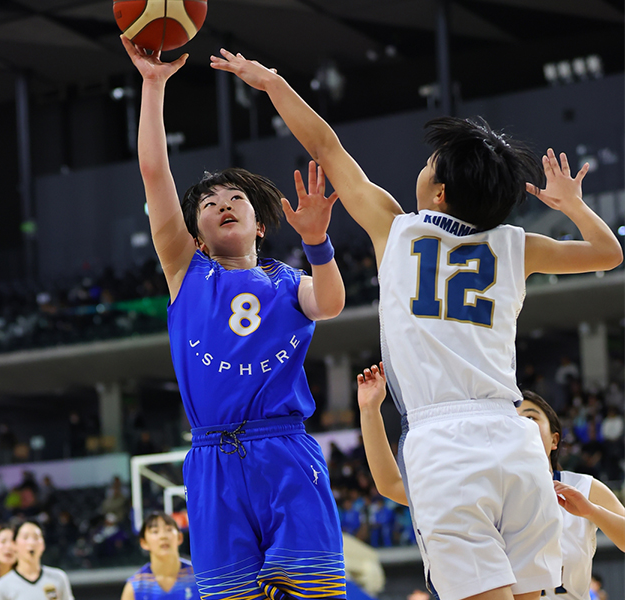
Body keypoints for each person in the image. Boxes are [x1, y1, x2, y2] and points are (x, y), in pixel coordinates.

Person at [212, 49, 623, 600]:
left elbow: (327, 148)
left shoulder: (396, 230)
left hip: (444, 441)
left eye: (431, 163)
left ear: (442, 192)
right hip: (513, 435)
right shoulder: (516, 245)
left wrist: (273, 83)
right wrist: (572, 203)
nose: (423, 165)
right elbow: (607, 252)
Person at [121, 35, 346, 600]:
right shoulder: (186, 270)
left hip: (285, 449)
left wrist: (318, 243)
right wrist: (152, 87)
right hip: (212, 458)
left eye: (235, 199)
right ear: (195, 231)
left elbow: (332, 303)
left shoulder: (290, 281)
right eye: (209, 201)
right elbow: (154, 174)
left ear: (261, 224)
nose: (222, 202)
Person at [355, 364, 625, 600]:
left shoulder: (584, 488)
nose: (517, 427)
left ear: (555, 439)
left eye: (529, 417)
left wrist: (591, 511)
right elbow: (390, 484)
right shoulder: (469, 485)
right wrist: (369, 411)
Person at [0, 520, 74, 600]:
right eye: (25, 537)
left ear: (43, 545)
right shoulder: (2, 586)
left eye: (36, 537)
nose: (31, 543)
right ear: (14, 544)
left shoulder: (58, 578)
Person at [121, 512, 200, 600]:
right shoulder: (134, 586)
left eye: (169, 529)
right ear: (143, 542)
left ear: (180, 537)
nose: (163, 536)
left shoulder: (199, 577)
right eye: (155, 531)